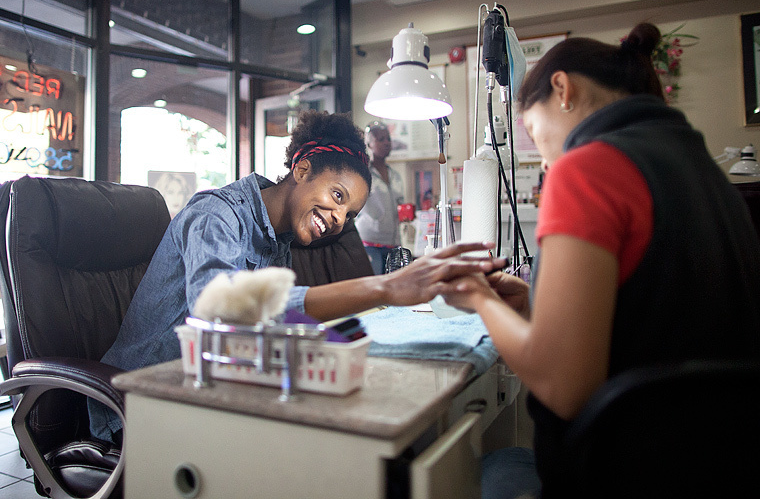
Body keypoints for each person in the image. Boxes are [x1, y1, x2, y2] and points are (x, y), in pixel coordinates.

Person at [438, 23, 760, 498]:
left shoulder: (588, 167)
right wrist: (535, 303)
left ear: (562, 89)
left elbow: (564, 385)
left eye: (533, 131)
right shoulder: (707, 172)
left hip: (621, 471)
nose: (547, 161)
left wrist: (479, 298)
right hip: (721, 465)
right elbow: (659, 314)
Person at [90, 110, 506, 441]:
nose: (339, 219)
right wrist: (384, 287)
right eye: (337, 197)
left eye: (349, 215)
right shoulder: (216, 214)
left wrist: (354, 337)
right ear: (302, 169)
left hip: (213, 393)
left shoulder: (278, 243)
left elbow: (275, 326)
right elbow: (220, 308)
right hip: (134, 409)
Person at [356, 121, 405, 274]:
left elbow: (400, 204)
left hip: (393, 243)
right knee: (374, 289)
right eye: (380, 139)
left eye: (388, 139)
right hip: (369, 243)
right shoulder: (364, 174)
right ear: (369, 144)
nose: (386, 143)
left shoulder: (395, 175)